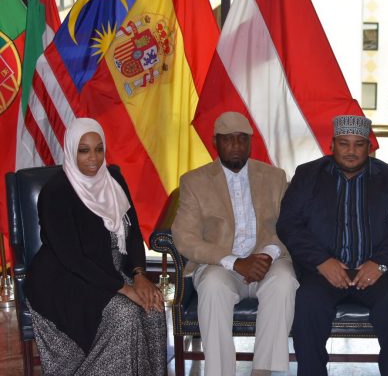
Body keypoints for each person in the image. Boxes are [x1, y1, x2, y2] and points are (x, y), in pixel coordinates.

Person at [276, 115, 388, 376]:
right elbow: (289, 225)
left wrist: (381, 263)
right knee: (308, 303)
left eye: (359, 144)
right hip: (325, 271)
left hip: (380, 272)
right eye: (344, 144)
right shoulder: (308, 175)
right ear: (332, 145)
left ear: (370, 147)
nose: (351, 151)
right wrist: (322, 262)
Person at [24, 118, 166, 375]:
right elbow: (73, 258)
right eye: (84, 150)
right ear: (70, 150)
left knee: (153, 305)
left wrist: (139, 276)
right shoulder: (55, 192)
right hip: (64, 278)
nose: (94, 158)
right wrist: (124, 289)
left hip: (107, 272)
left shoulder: (114, 181)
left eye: (99, 149)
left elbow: (132, 235)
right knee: (125, 314)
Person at [171, 111, 297, 376]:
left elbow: (290, 225)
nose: (236, 145)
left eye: (242, 139)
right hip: (220, 264)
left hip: (267, 262)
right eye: (228, 140)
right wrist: (235, 262)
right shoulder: (195, 182)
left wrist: (267, 255)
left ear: (251, 142)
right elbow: (185, 237)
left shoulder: (274, 177)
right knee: (213, 287)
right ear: (215, 142)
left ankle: (262, 371)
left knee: (284, 282)